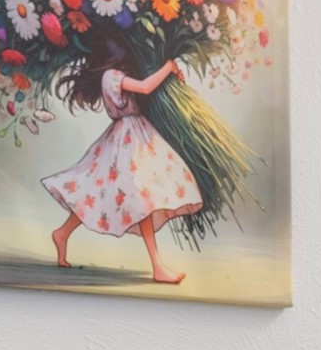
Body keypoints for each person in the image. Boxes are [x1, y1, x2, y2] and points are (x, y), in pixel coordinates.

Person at [42, 32, 202, 285]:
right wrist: (169, 66)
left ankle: (62, 234)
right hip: (128, 138)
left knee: (100, 193)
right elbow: (146, 87)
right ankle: (158, 267)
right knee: (142, 197)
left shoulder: (114, 75)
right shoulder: (111, 76)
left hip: (134, 133)